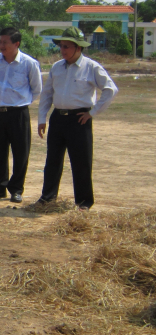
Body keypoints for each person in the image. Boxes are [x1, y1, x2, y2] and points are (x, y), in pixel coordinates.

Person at [36, 27, 118, 210]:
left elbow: (110, 89)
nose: (62, 50)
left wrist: (93, 112)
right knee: (53, 160)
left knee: (81, 161)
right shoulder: (57, 67)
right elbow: (47, 94)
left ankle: (83, 202)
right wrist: (42, 118)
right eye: (61, 46)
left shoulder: (91, 67)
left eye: (66, 46)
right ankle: (47, 198)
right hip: (58, 117)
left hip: (79, 119)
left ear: (78, 48)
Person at [0, 27, 42, 204]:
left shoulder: (29, 63)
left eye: (5, 42)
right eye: (0, 42)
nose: (1, 46)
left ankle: (16, 189)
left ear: (16, 44)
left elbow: (37, 89)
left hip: (18, 113)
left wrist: (20, 102)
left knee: (20, 152)